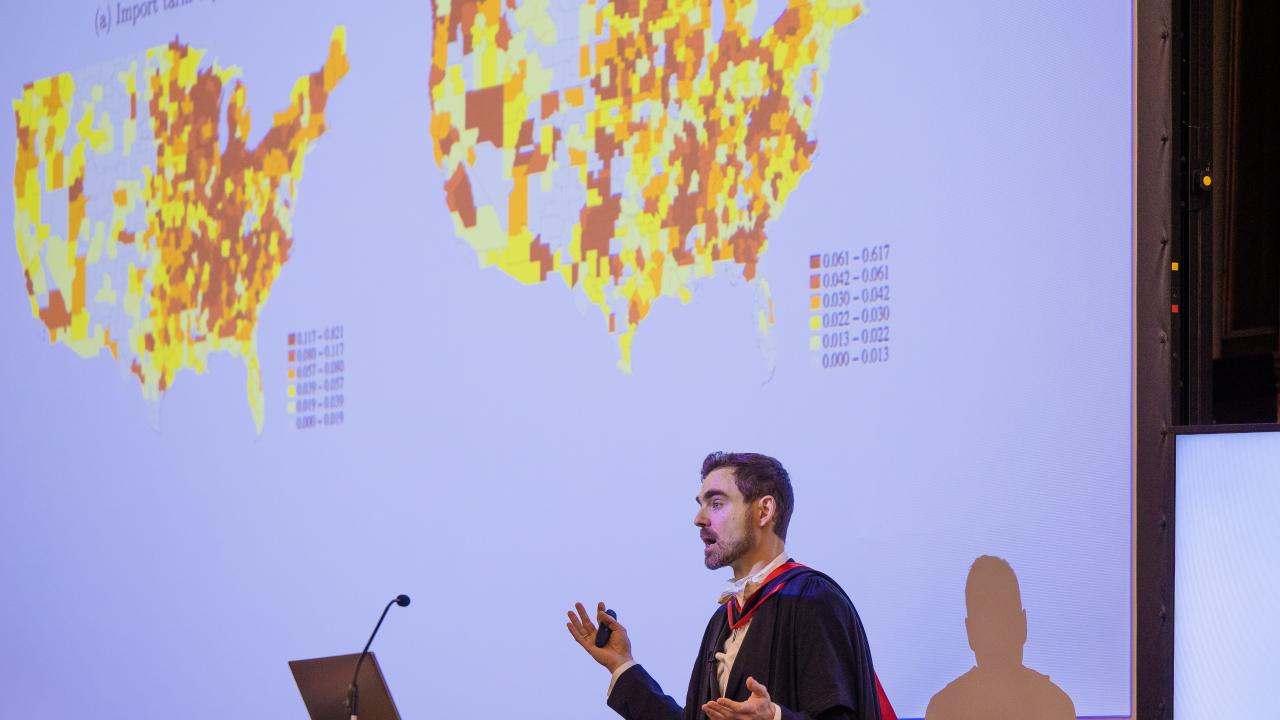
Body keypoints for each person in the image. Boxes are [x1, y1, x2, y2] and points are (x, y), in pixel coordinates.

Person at [566, 452, 885, 720]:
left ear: (764, 511)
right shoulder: (722, 620)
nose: (699, 518)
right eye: (700, 504)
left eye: (716, 503)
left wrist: (775, 717)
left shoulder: (813, 600)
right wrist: (622, 664)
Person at [924, 555, 1075, 720]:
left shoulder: (942, 709)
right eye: (989, 624)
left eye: (1001, 621)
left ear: (970, 633)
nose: (996, 640)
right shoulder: (1056, 705)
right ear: (1023, 625)